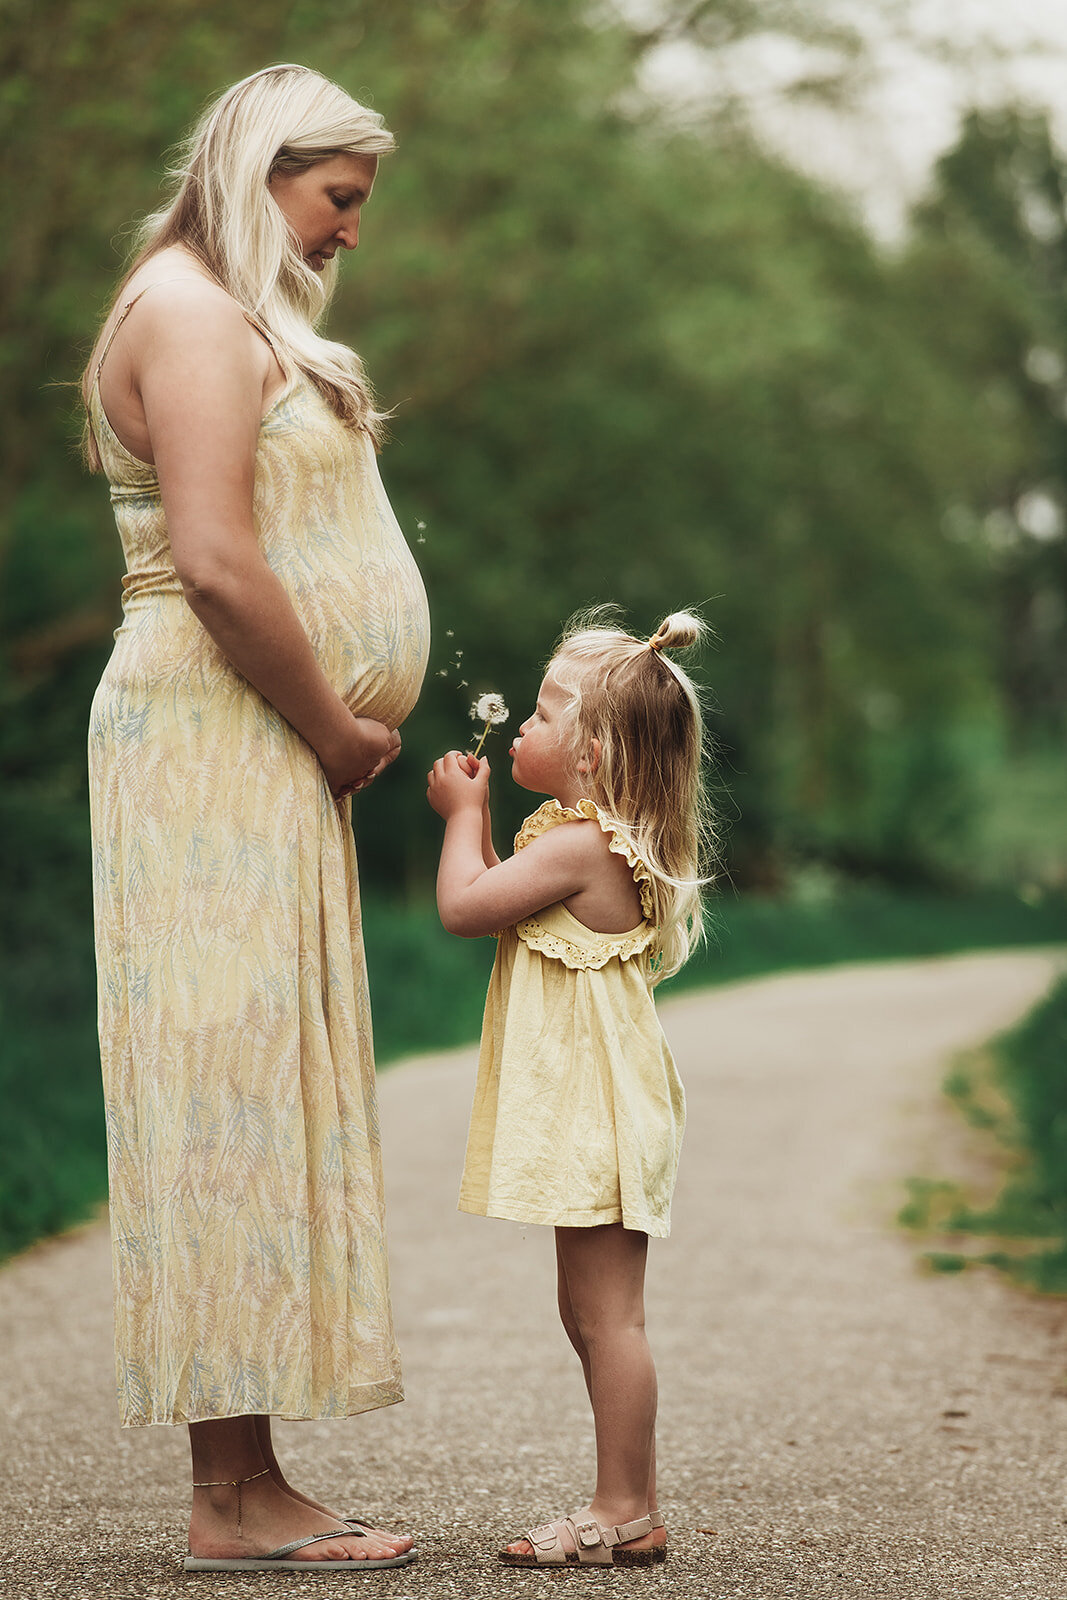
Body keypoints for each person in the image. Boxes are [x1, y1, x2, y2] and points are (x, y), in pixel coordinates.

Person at [82, 65, 428, 1573]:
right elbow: (219, 565)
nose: (349, 234)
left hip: (248, 741)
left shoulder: (224, 314)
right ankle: (230, 1499)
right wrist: (338, 728)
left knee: (250, 1087)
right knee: (217, 1094)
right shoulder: (187, 315)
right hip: (214, 733)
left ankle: (251, 1479)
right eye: (337, 199)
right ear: (258, 169)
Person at [426, 609, 712, 1569]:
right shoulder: (576, 838)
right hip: (600, 1105)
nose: (520, 731)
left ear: (589, 753)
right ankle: (629, 1500)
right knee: (588, 1313)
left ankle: (624, 1508)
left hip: (602, 1113)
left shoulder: (582, 846)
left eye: (543, 718)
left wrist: (464, 821)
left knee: (607, 1317)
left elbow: (466, 907)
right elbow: (510, 900)